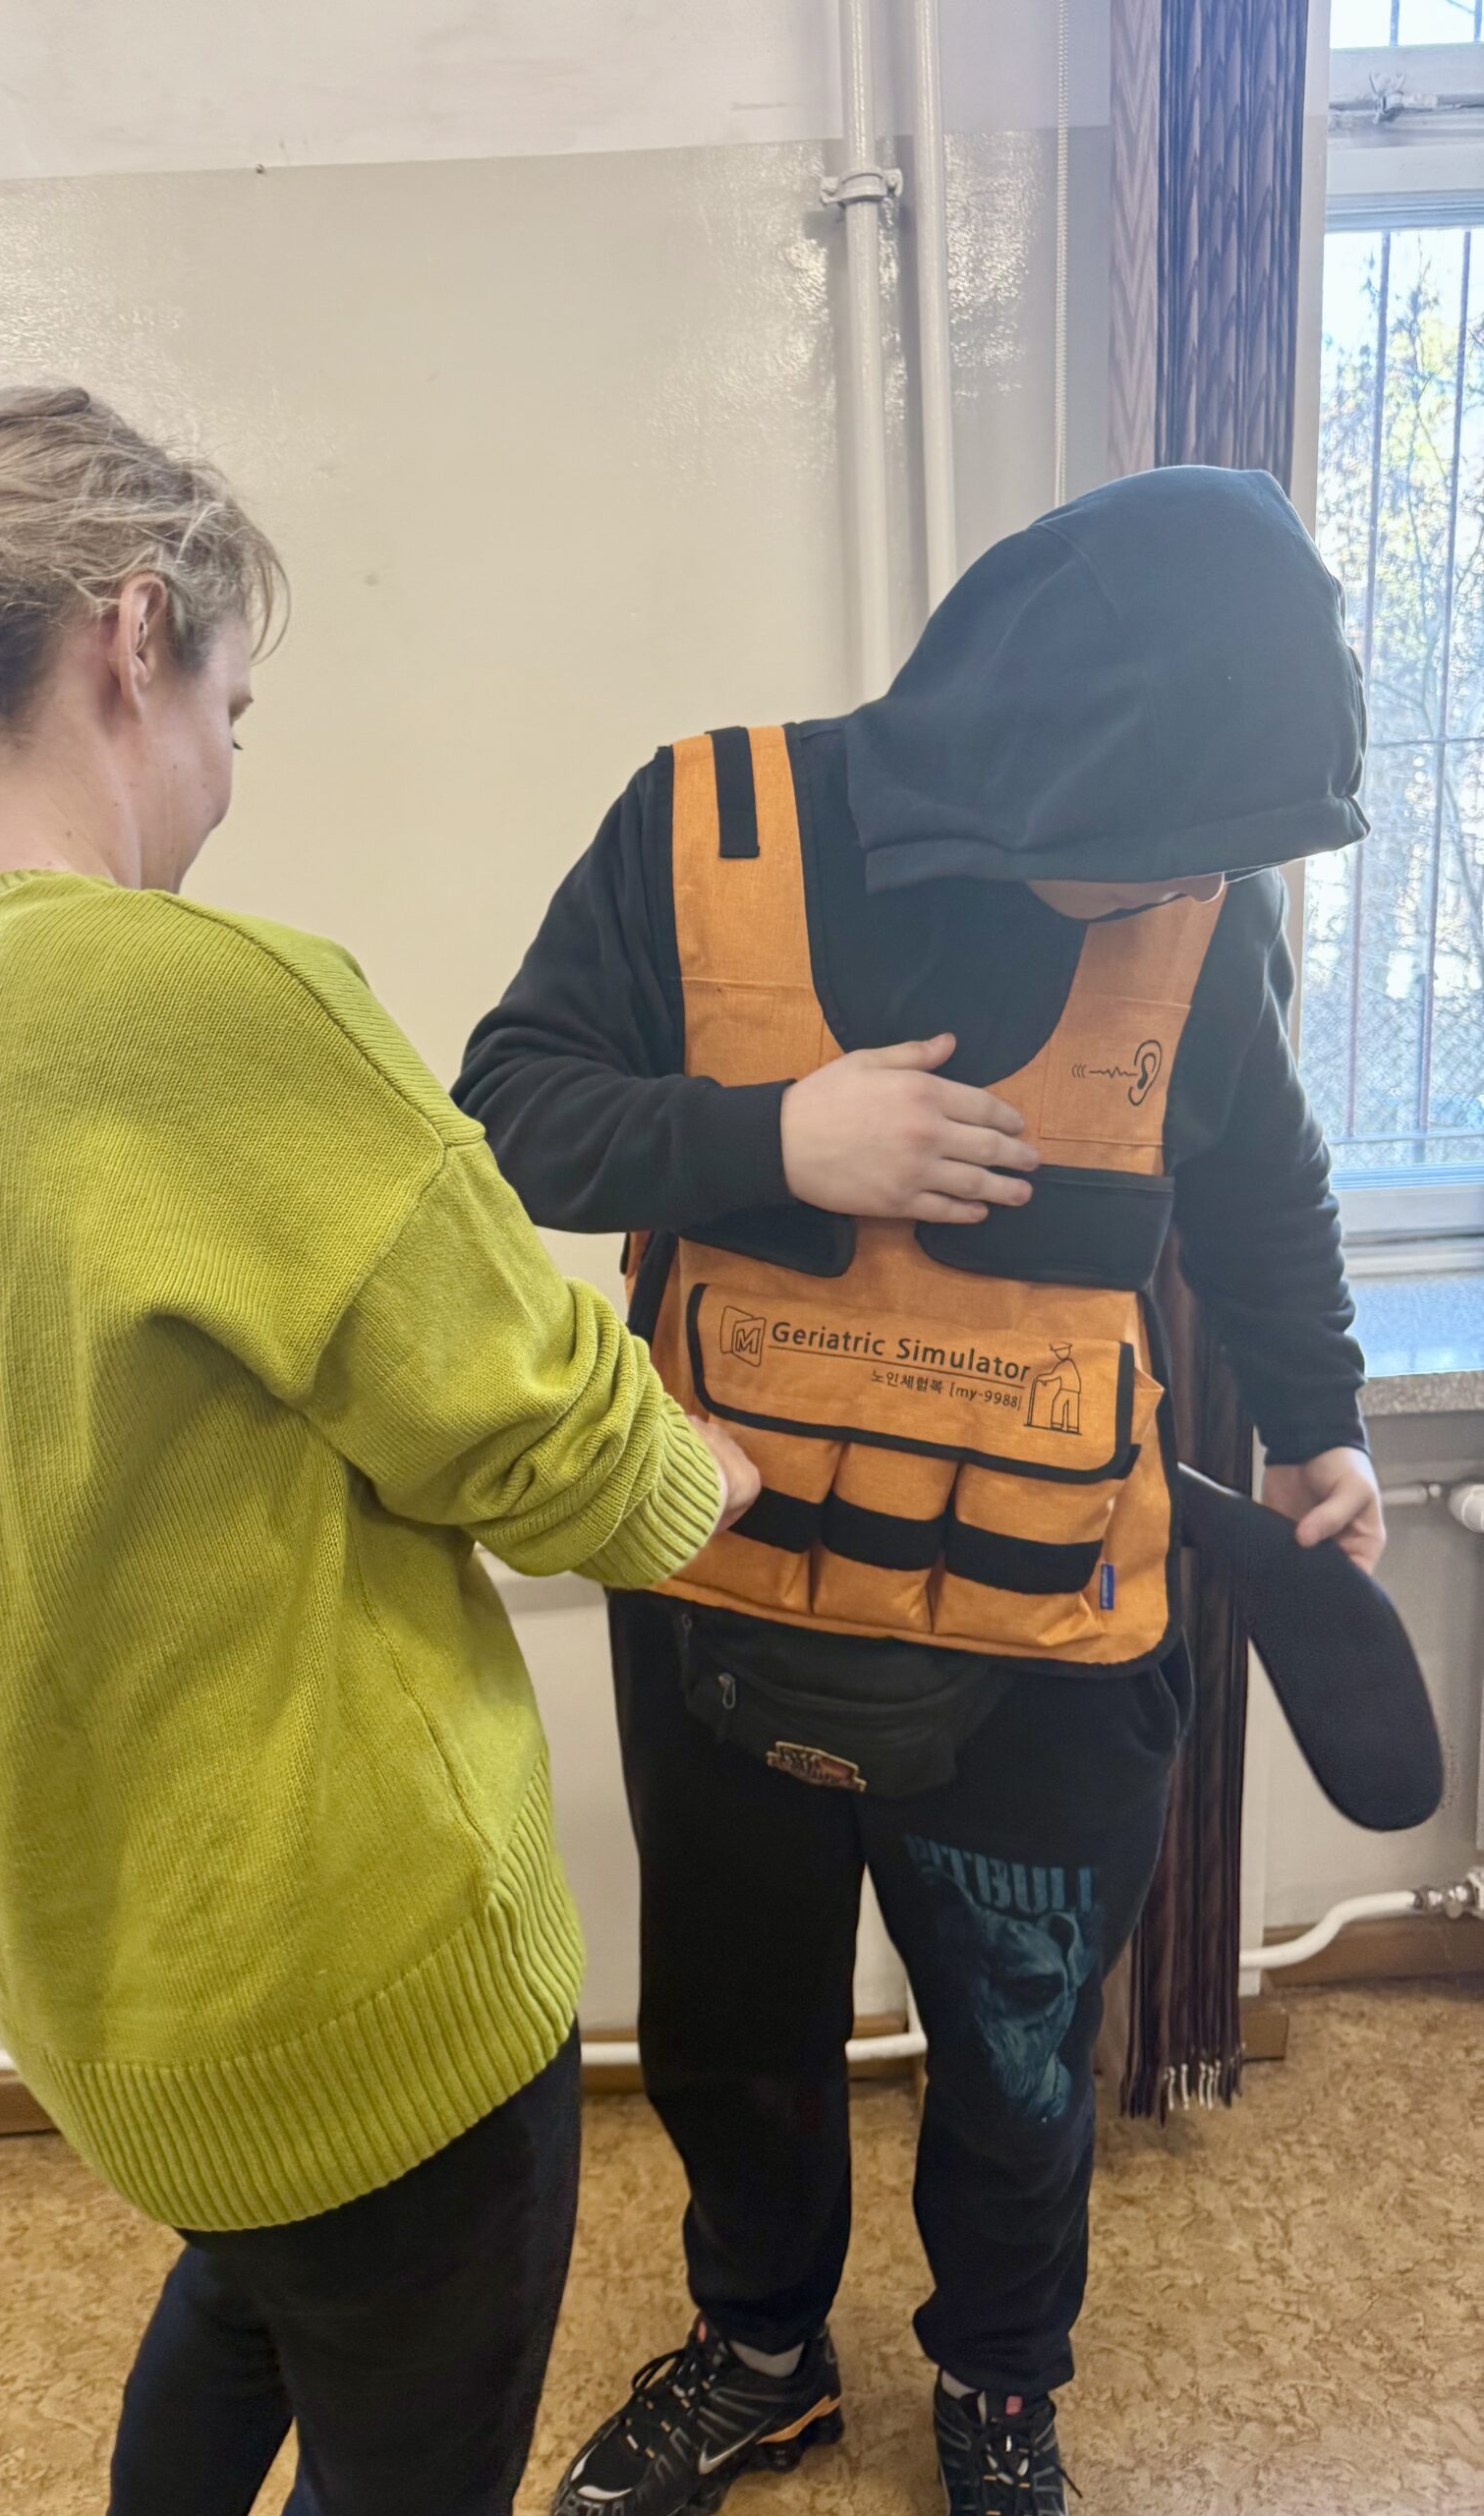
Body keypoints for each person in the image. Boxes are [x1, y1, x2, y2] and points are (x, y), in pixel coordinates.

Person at [0, 382, 761, 2516]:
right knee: (390, 2395)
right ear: (133, 633)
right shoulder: (208, 1000)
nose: (230, 775)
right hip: (372, 1988)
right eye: (234, 709)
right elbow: (538, 1426)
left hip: (102, 1990)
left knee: (254, 2285)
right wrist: (692, 1474)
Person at [456, 466, 1380, 2515]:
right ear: (1040, 744)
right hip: (725, 1586)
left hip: (1055, 1619)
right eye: (1162, 845)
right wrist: (775, 1138)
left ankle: (1002, 2384)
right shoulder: (699, 825)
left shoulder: (1198, 896)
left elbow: (1261, 1185)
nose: (1187, 884)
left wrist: (1320, 1420)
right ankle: (760, 2350)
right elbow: (506, 1114)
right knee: (734, 2037)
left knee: (1023, 2052)